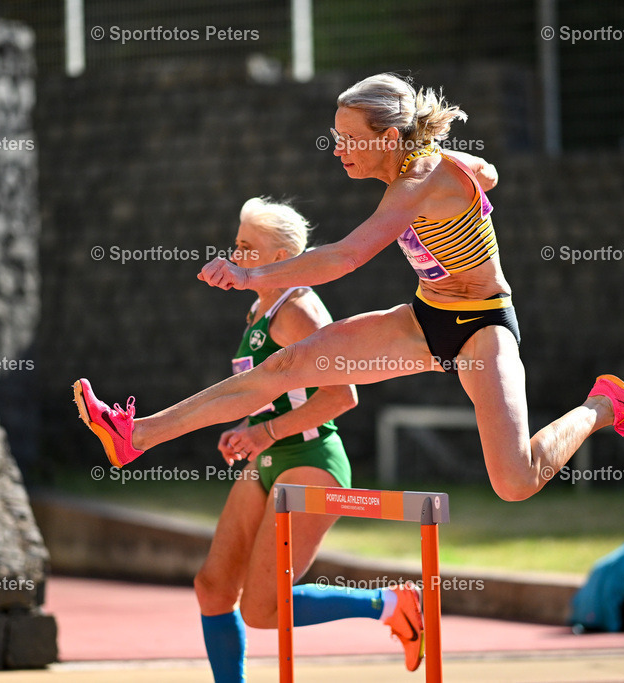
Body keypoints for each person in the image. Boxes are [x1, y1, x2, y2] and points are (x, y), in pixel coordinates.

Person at [75, 70, 624, 658]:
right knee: (283, 370)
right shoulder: (423, 168)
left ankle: (603, 405)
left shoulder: (416, 179)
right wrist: (475, 166)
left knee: (515, 481)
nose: (337, 149)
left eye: (348, 138)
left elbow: (344, 257)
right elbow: (489, 174)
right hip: (423, 320)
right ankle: (138, 435)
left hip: (483, 328)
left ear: (388, 139)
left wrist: (250, 274)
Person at [74, 197, 425, 681]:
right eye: (235, 245)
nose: (235, 256)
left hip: (313, 458)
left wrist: (264, 430)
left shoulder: (297, 308)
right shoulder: (258, 313)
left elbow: (343, 396)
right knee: (214, 587)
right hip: (271, 454)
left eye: (245, 248)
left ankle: (390, 603)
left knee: (263, 610)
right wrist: (248, 430)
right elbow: (275, 394)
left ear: (281, 258)